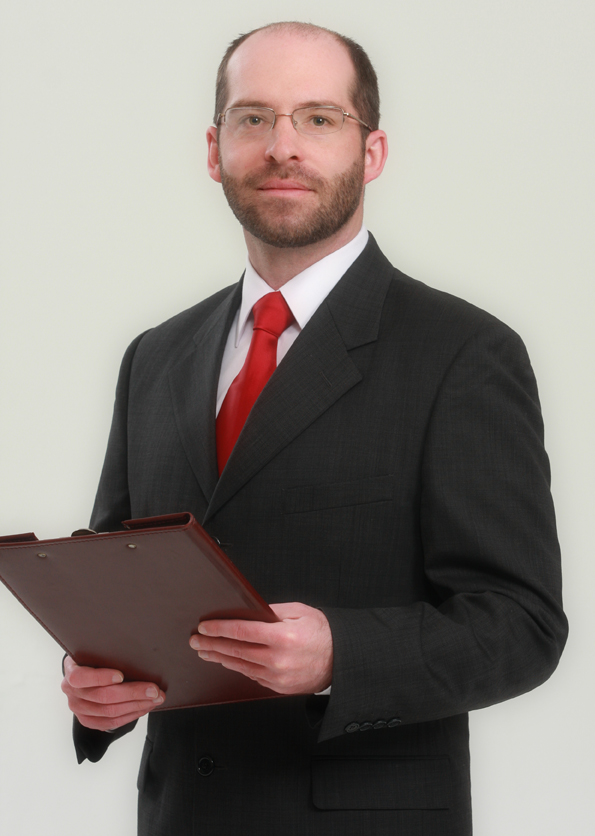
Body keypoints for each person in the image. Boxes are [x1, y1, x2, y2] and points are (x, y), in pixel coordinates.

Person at [60, 21, 567, 836]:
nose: (281, 146)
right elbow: (119, 583)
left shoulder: (461, 353)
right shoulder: (155, 356)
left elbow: (521, 625)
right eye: (253, 117)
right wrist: (97, 686)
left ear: (371, 152)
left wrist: (341, 655)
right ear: (214, 148)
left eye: (319, 118)